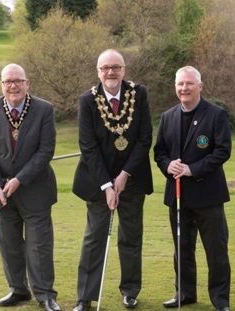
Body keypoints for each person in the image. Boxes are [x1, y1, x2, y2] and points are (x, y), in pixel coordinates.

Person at [72, 49, 153, 311]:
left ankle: (130, 291)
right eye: (105, 67)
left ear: (123, 69)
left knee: (131, 237)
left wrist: (124, 175)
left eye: (115, 67)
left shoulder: (139, 94)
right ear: (98, 71)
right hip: (98, 182)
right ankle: (85, 296)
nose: (111, 72)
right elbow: (87, 145)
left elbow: (144, 138)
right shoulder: (87, 100)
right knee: (95, 238)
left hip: (133, 179)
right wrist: (107, 184)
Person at [0, 63, 60, 311]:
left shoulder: (44, 109)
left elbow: (45, 151)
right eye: (7, 82)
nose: (13, 86)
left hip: (35, 189)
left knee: (39, 246)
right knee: (9, 244)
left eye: (18, 81)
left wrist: (19, 179)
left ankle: (45, 294)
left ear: (27, 83)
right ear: (1, 85)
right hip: (0, 193)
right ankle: (18, 289)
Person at [153, 66, 232, 311]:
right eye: (180, 84)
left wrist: (192, 169)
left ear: (199, 86)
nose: (184, 88)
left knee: (216, 250)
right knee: (182, 248)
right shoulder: (168, 116)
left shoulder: (216, 115)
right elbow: (159, 153)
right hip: (178, 196)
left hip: (207, 195)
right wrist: (170, 165)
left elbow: (222, 151)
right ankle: (185, 294)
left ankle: (220, 300)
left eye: (189, 83)